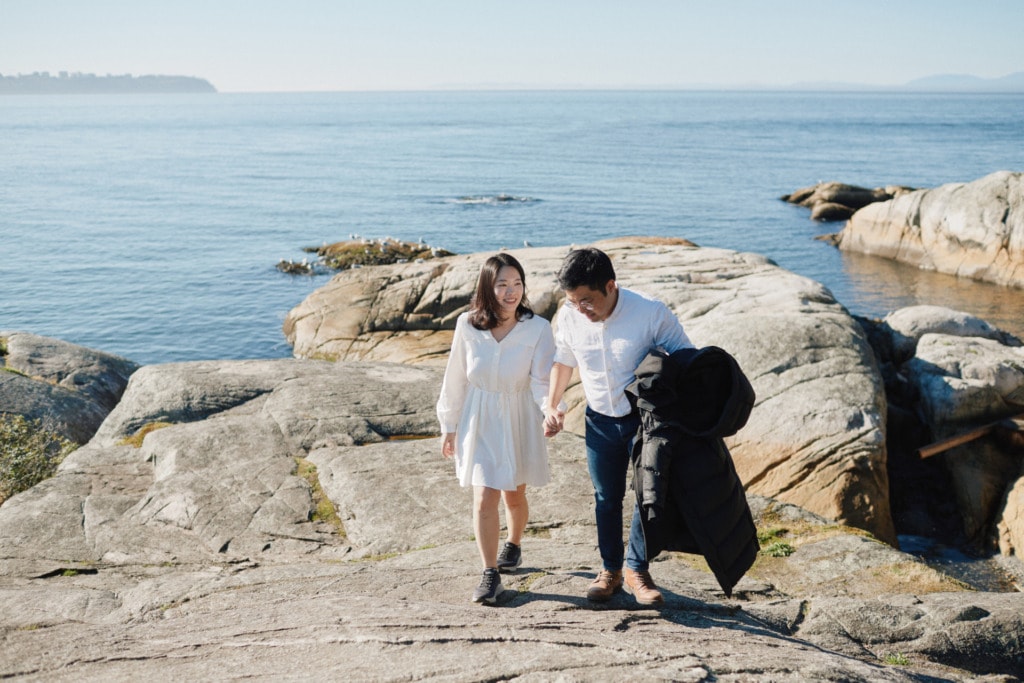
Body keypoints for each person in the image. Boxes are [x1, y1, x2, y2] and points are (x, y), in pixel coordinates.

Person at [542, 247, 693, 606]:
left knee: (647, 496)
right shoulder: (569, 315)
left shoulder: (650, 313)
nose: (581, 309)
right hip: (598, 421)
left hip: (643, 423)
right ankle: (610, 570)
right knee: (606, 499)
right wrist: (553, 405)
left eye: (587, 300)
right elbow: (563, 360)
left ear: (611, 285)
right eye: (574, 301)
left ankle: (636, 569)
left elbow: (688, 359)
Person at [436, 253, 555, 605]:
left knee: (513, 495)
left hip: (518, 415)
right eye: (502, 284)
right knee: (484, 495)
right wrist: (449, 425)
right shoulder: (467, 325)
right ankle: (490, 574)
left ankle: (514, 544)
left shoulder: (538, 328)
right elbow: (455, 377)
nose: (511, 292)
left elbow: (541, 381)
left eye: (517, 284)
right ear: (488, 287)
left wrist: (550, 409)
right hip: (479, 417)